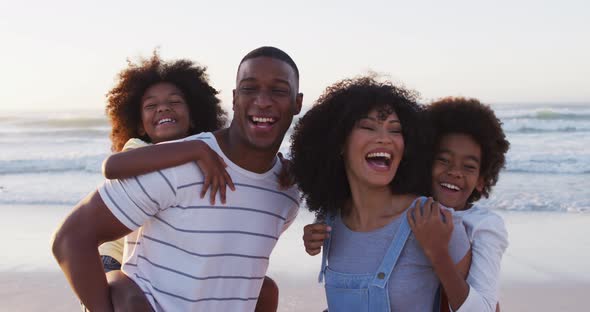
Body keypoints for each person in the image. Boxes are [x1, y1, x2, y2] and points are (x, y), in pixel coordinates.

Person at [52, 46, 303, 312]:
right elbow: (71, 239)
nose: (263, 101)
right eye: (250, 88)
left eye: (278, 90)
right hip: (115, 266)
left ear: (298, 103)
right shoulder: (179, 163)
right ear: (234, 98)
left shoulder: (287, 191)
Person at [291, 76, 470, 311]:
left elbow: (480, 307)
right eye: (367, 127)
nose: (385, 139)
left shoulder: (433, 220)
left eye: (395, 130)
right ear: (338, 143)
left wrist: (438, 253)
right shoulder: (330, 222)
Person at [408, 97, 510, 311]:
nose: (455, 172)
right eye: (443, 160)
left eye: (469, 167)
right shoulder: (406, 206)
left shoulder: (484, 226)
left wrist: (438, 252)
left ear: (482, 180)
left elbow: (484, 309)